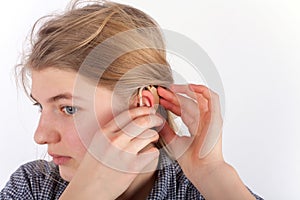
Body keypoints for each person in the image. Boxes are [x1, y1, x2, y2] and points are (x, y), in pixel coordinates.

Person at [0, 0, 263, 199]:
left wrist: (213, 175)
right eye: (40, 106)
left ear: (142, 105)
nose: (41, 135)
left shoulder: (202, 190)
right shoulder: (33, 186)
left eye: (68, 108)